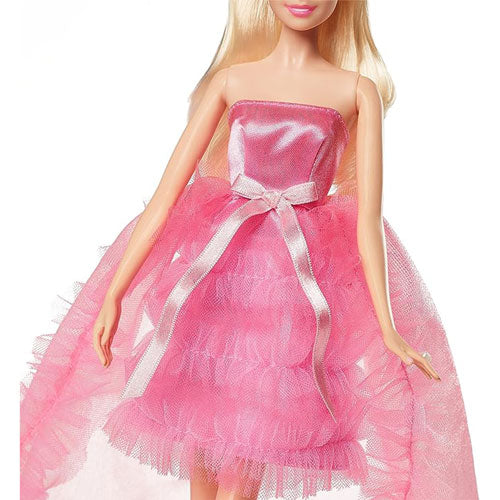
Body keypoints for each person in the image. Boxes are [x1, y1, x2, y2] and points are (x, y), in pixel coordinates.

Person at [20, 1, 478, 499]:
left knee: (252, 451)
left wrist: (388, 327)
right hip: (219, 277)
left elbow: (367, 219)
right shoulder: (232, 81)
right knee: (204, 445)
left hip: (290, 288)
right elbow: (164, 200)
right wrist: (115, 291)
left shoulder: (356, 90)